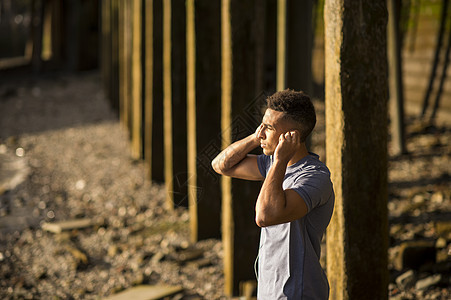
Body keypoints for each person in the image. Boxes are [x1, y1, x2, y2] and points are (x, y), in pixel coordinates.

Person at [211, 89, 334, 299]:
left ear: (291, 135)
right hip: (270, 288)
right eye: (262, 126)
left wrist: (279, 161)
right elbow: (221, 165)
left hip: (299, 291)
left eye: (268, 128)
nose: (262, 133)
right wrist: (254, 138)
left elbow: (265, 216)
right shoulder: (271, 165)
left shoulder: (315, 177)